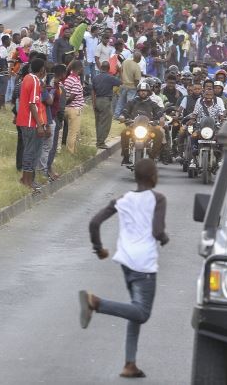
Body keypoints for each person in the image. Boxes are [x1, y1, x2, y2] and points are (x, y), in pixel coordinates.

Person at [80, 158, 169, 379]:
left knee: (134, 311)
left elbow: (94, 222)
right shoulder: (158, 199)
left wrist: (99, 248)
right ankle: (96, 303)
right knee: (142, 313)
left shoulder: (124, 199)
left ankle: (130, 364)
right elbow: (157, 231)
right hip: (144, 264)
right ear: (153, 177)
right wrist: (165, 238)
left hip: (126, 262)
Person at [16, 58, 49, 189]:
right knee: (31, 152)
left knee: (30, 151)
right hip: (31, 122)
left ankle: (27, 179)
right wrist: (40, 125)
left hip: (24, 121)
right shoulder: (35, 81)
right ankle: (27, 180)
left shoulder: (27, 78)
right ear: (41, 69)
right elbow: (32, 104)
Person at [118, 82, 164, 165]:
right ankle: (125, 157)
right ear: (138, 92)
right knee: (124, 133)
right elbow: (125, 110)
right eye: (141, 91)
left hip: (149, 127)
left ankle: (152, 156)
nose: (143, 92)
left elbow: (159, 111)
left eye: (145, 91)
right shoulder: (132, 102)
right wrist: (122, 116)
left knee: (159, 134)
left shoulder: (152, 103)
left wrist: (161, 118)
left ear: (148, 92)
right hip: (133, 126)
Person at [92, 61, 121, 148]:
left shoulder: (95, 78)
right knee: (105, 123)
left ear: (101, 68)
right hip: (106, 101)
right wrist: (120, 71)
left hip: (97, 100)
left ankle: (99, 141)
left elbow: (92, 91)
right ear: (108, 69)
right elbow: (121, 82)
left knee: (98, 122)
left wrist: (93, 103)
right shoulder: (110, 77)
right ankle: (101, 142)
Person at [63, 60, 86, 153]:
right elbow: (72, 97)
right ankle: (70, 152)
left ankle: (69, 149)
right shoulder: (76, 81)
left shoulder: (68, 78)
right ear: (80, 69)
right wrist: (66, 103)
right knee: (73, 132)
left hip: (68, 108)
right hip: (74, 109)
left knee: (69, 131)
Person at [115, 50, 142, 117]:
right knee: (129, 103)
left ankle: (116, 115)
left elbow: (120, 70)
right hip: (132, 87)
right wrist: (137, 88)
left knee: (120, 101)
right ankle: (127, 116)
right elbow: (137, 80)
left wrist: (122, 79)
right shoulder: (137, 67)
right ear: (139, 59)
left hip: (123, 85)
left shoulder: (125, 62)